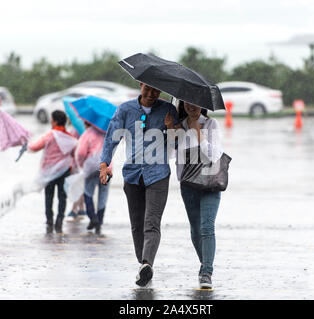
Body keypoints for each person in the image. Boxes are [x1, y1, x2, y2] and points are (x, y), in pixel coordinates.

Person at [99, 82, 179, 287]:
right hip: (133, 175)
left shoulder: (168, 109)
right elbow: (111, 139)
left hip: (158, 175)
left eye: (156, 90)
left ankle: (147, 263)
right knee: (137, 224)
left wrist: (171, 128)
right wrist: (104, 164)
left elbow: (177, 145)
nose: (151, 94)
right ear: (140, 85)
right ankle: (142, 265)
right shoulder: (125, 110)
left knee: (151, 222)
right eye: (148, 89)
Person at [169, 100, 223, 289]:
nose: (191, 106)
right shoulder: (179, 126)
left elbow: (214, 155)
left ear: (202, 104)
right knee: (195, 229)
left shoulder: (211, 124)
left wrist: (197, 132)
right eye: (186, 103)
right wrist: (169, 132)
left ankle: (207, 272)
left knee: (207, 226)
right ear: (182, 104)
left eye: (195, 102)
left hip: (210, 184)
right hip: (188, 185)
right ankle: (204, 263)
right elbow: (169, 156)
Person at [28, 110, 77, 233]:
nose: (50, 121)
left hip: (49, 172)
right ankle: (59, 220)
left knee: (48, 197)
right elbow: (74, 154)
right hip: (65, 171)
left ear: (54, 121)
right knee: (62, 197)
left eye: (51, 119)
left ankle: (49, 221)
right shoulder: (70, 138)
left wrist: (25, 143)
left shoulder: (49, 136)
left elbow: (34, 148)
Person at [76, 121, 111, 234]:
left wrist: (82, 164)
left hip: (91, 167)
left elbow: (81, 153)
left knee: (88, 192)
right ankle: (99, 222)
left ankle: (93, 218)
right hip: (107, 167)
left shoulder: (87, 134)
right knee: (103, 194)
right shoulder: (106, 132)